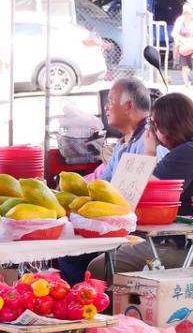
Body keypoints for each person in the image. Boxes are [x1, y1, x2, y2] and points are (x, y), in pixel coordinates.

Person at [87, 94, 193, 278]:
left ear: (167, 127)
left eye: (156, 126)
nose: (154, 132)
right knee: (113, 257)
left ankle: (122, 307)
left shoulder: (187, 153)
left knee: (100, 267)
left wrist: (149, 151)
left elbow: (142, 186)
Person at [60, 78, 156, 284]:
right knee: (65, 246)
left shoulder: (150, 139)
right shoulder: (123, 143)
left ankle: (87, 305)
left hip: (141, 231)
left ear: (128, 105)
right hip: (118, 223)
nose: (106, 106)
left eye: (111, 101)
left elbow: (149, 187)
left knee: (72, 256)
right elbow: (102, 187)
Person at [172, 5, 193, 87]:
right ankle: (186, 84)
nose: (187, 15)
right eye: (185, 13)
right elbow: (174, 33)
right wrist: (182, 40)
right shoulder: (180, 20)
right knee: (184, 66)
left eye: (189, 13)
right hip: (183, 46)